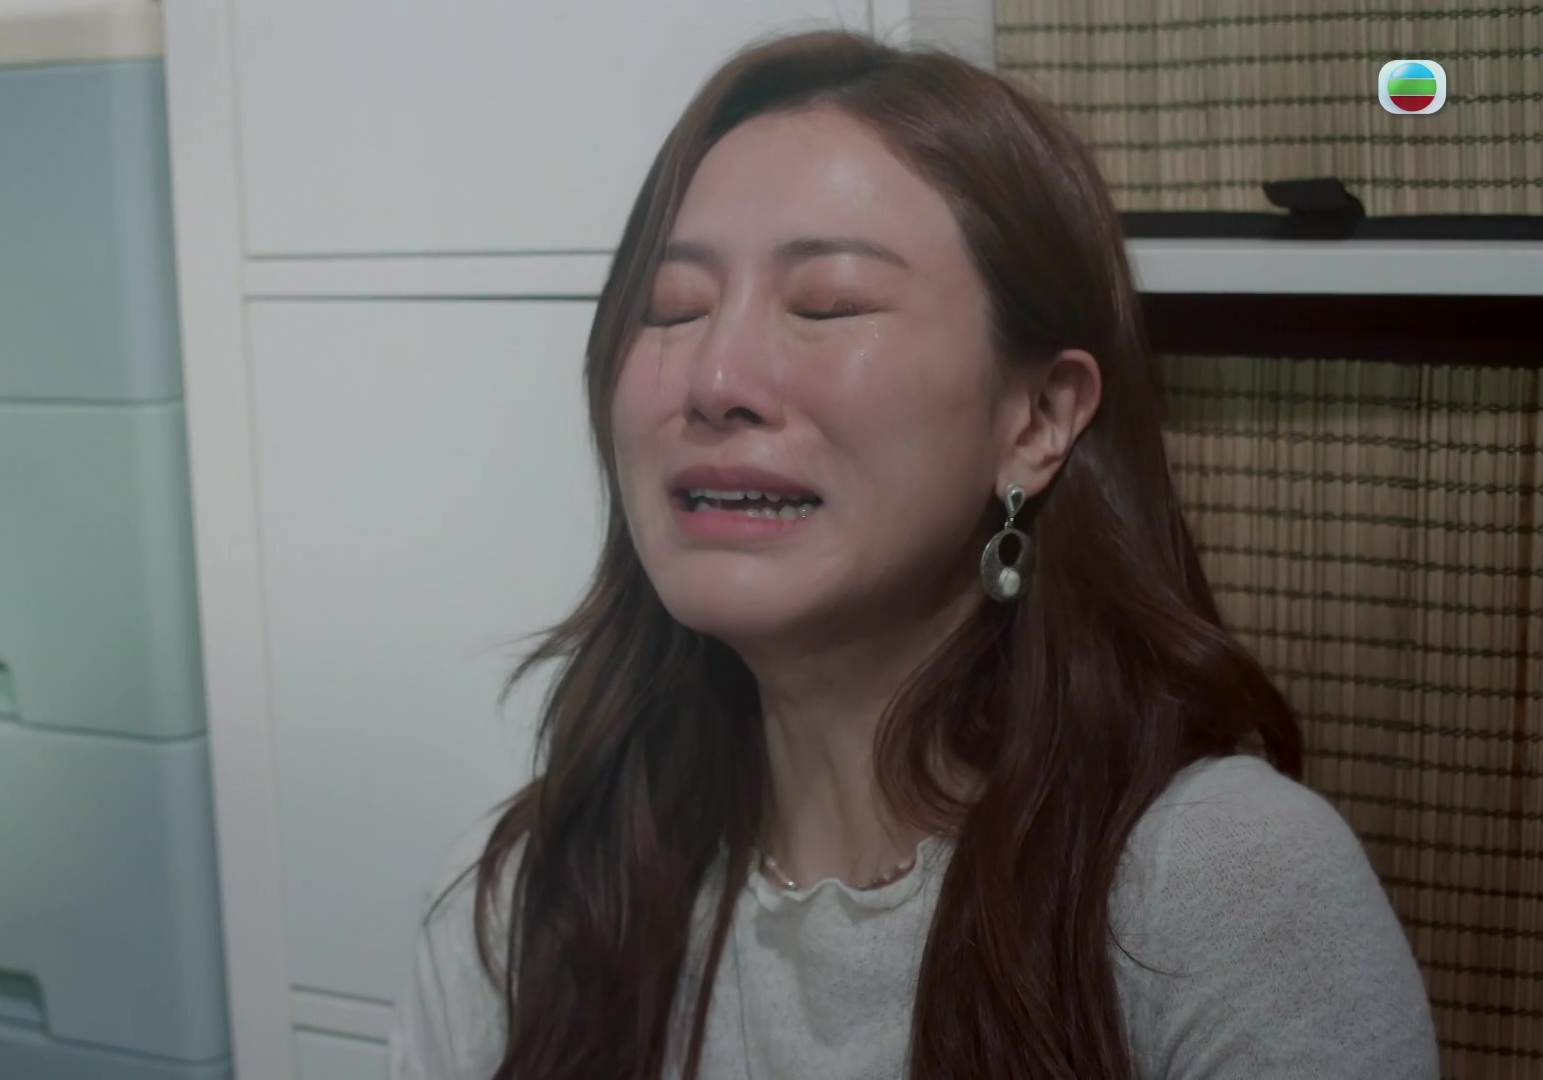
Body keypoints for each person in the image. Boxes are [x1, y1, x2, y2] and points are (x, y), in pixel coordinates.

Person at [389, 29, 1439, 1080]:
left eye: (828, 303)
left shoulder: (1220, 891)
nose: (714, 379)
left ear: (1038, 417)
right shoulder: (527, 901)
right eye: (672, 310)